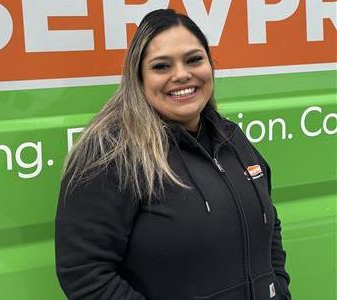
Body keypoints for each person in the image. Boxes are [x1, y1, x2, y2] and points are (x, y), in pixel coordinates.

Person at [55, 9, 291, 300]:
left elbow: (269, 223)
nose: (182, 75)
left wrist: (278, 289)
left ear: (209, 65)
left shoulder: (231, 139)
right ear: (139, 77)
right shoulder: (111, 154)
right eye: (161, 66)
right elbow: (85, 273)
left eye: (194, 59)